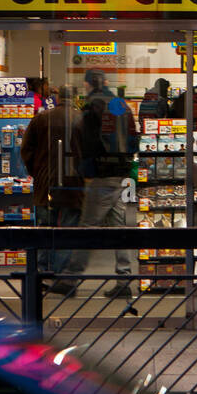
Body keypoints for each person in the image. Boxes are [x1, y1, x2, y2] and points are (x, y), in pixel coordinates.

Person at [78, 68, 138, 297]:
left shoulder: (93, 105)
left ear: (88, 84)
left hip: (103, 174)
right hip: (122, 172)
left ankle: (69, 278)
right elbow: (134, 137)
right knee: (119, 228)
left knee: (86, 228)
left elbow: (88, 142)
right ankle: (123, 280)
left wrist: (86, 170)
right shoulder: (121, 104)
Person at [20, 99, 86, 295]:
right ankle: (64, 279)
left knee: (44, 229)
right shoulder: (82, 120)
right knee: (68, 231)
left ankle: (41, 274)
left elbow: (26, 151)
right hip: (73, 185)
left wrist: (37, 172)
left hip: (45, 185)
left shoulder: (40, 119)